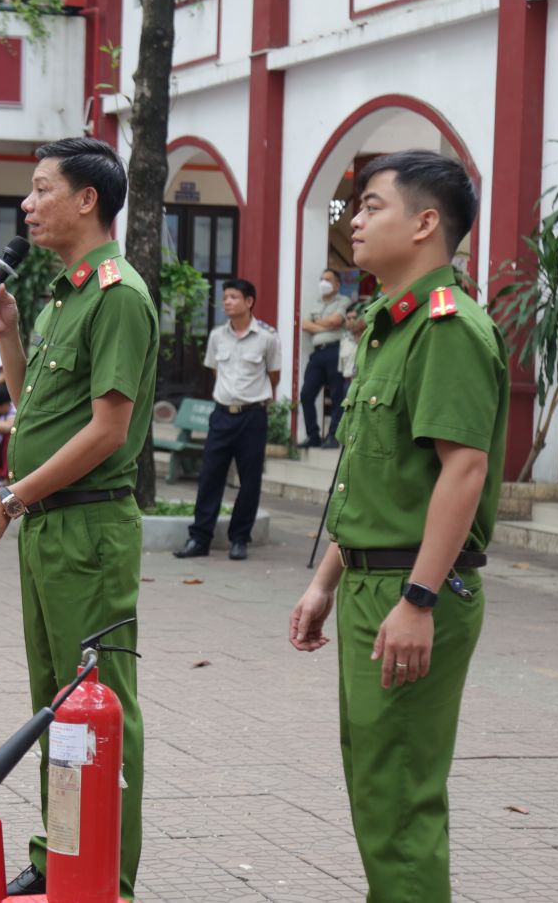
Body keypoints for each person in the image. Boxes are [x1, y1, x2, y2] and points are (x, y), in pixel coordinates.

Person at [289, 150, 506, 902]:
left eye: (372, 205)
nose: (355, 218)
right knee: (377, 785)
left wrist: (419, 599)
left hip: (412, 590)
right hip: (371, 580)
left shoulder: (446, 328)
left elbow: (463, 470)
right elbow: (384, 479)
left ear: (425, 223)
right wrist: (325, 579)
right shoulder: (390, 326)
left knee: (401, 796)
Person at [0, 137, 155, 900]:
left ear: (87, 199)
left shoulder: (118, 295)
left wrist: (9, 498)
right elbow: (43, 406)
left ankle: (108, 874)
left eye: (41, 190)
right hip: (47, 524)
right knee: (54, 700)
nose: (27, 205)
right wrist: (6, 335)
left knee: (100, 703)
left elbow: (105, 430)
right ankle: (60, 850)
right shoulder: (64, 295)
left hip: (88, 529)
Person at [175, 279, 281, 562]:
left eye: (234, 297)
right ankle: (199, 538)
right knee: (210, 475)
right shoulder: (216, 336)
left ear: (249, 302)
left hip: (252, 416)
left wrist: (252, 398)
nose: (227, 302)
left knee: (249, 480)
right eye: (225, 297)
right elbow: (214, 371)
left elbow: (274, 376)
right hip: (222, 414)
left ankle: (239, 539)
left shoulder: (267, 337)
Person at [300, 268, 355, 449]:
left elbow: (336, 321)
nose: (323, 283)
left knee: (337, 394)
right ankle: (313, 435)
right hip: (317, 354)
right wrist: (326, 325)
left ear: (337, 284)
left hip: (335, 351)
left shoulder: (343, 300)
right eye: (321, 279)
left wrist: (318, 323)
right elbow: (305, 325)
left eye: (328, 280)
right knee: (306, 394)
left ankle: (333, 437)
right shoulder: (315, 303)